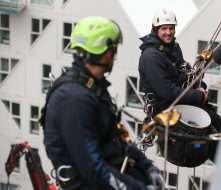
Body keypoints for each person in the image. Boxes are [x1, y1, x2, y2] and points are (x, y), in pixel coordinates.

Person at [41, 16, 162, 190]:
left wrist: (147, 166)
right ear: (107, 54)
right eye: (114, 50)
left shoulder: (90, 86)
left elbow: (114, 137)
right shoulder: (74, 99)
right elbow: (94, 170)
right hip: (89, 183)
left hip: (110, 170)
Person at [138, 8, 221, 162]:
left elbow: (186, 73)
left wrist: (200, 86)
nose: (168, 32)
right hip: (167, 106)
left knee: (220, 125)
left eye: (171, 28)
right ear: (156, 30)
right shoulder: (151, 57)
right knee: (212, 133)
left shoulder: (172, 48)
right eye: (164, 28)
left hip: (181, 100)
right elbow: (167, 91)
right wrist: (198, 95)